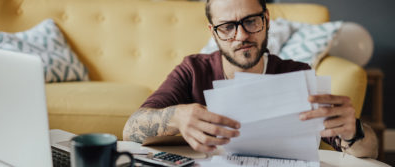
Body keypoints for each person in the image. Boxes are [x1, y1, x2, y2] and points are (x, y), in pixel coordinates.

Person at [123, 0, 378, 158]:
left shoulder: (295, 74)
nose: (241, 35)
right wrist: (176, 117)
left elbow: (369, 151)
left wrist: (353, 130)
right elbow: (131, 130)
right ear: (213, 32)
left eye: (251, 21)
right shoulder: (192, 70)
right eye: (227, 26)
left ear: (266, 20)